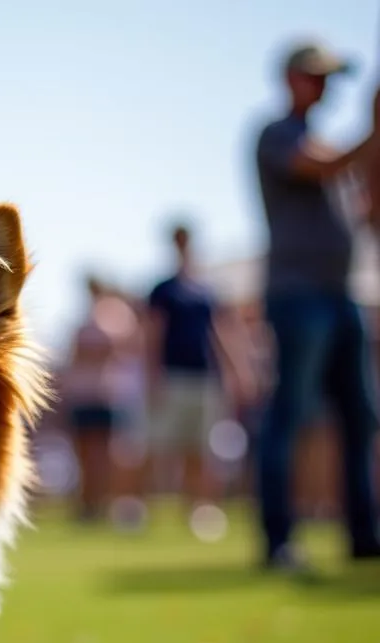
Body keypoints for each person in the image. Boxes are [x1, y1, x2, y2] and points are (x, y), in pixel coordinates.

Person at [254, 41, 380, 571]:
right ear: (291, 79)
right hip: (298, 294)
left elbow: (363, 209)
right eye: (317, 76)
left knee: (360, 418)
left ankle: (362, 537)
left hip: (340, 293)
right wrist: (375, 132)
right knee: (292, 416)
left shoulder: (326, 143)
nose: (326, 87)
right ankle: (279, 540)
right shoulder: (276, 134)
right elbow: (323, 168)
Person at [145, 223, 254, 530]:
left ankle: (198, 509)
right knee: (167, 446)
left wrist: (238, 371)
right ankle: (149, 507)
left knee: (201, 448)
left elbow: (219, 332)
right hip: (173, 376)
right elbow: (153, 334)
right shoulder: (162, 289)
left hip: (206, 378)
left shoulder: (208, 290)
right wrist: (152, 376)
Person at [62, 276, 142, 521]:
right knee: (84, 454)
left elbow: (123, 348)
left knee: (106, 454)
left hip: (106, 395)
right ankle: (86, 505)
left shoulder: (117, 317)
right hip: (83, 395)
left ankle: (105, 503)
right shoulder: (84, 322)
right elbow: (76, 357)